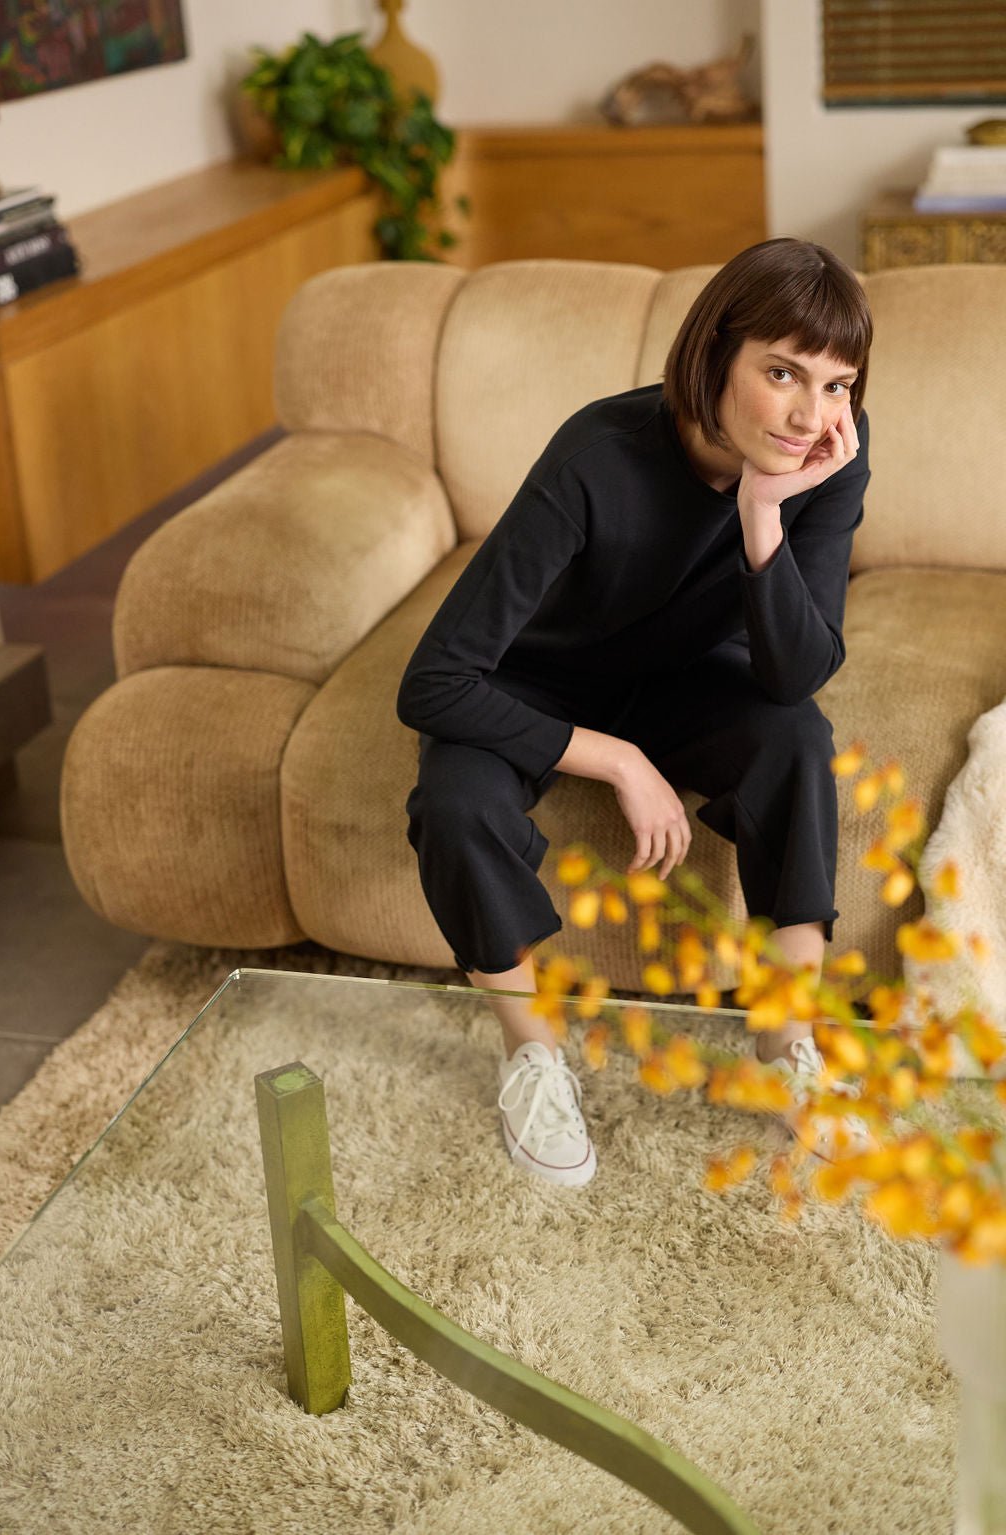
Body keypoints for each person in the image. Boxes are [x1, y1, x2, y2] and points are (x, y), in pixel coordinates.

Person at [396, 237, 874, 1188]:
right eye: (781, 373)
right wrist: (616, 759)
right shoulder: (596, 455)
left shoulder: (820, 461)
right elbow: (435, 681)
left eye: (835, 385)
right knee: (453, 804)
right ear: (716, 354)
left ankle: (783, 1048)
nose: (808, 413)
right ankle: (531, 1057)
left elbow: (797, 674)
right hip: (533, 684)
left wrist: (764, 514)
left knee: (796, 739)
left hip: (685, 679)